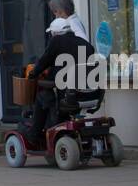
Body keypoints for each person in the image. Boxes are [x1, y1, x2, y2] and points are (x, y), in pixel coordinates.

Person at [25, 16, 97, 147]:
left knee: (42, 97)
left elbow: (44, 61)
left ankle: (33, 135)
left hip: (69, 95)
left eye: (51, 34)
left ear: (55, 33)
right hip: (91, 95)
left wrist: (33, 74)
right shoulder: (86, 44)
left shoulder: (56, 41)